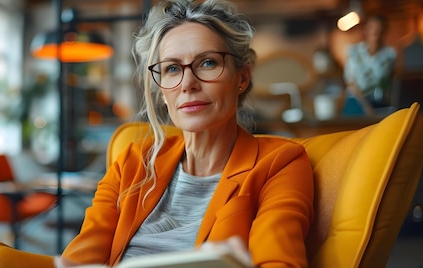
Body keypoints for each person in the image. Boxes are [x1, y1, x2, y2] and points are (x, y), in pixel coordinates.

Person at [56, 0, 314, 267]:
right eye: (172, 68)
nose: (188, 84)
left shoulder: (280, 163)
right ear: (161, 90)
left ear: (243, 77)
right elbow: (79, 261)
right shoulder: (131, 164)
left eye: (208, 63)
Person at [342, 15, 397, 116]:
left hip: (379, 103)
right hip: (356, 103)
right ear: (366, 30)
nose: (375, 33)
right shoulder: (353, 52)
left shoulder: (389, 54)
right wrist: (366, 107)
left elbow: (389, 80)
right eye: (372, 28)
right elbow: (351, 83)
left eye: (379, 29)